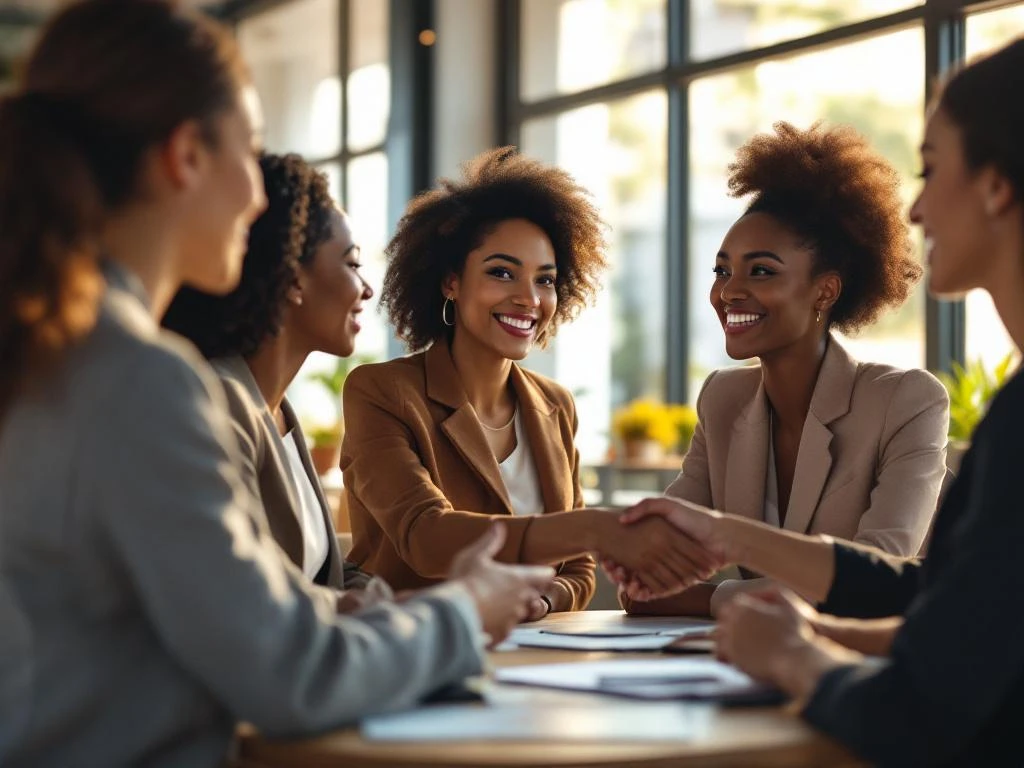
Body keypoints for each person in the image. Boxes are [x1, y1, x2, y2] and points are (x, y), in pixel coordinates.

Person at [0, 2, 553, 765]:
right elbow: (291, 675)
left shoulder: (48, 356)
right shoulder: (136, 382)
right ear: (185, 155)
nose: (259, 198)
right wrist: (464, 611)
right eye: (248, 147)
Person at [614, 37, 1024, 766]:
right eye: (722, 270)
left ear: (996, 186)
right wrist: (731, 553)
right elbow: (951, 623)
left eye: (931, 170)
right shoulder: (723, 399)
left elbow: (917, 677)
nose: (920, 209)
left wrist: (781, 643)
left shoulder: (932, 404)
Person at [343, 147, 717, 619]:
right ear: (451, 283)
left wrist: (538, 603)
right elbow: (426, 539)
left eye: (545, 281)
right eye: (502, 273)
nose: (528, 299)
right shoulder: (381, 391)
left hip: (532, 653)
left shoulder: (555, 404)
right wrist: (594, 527)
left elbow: (578, 571)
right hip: (414, 649)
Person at [623, 121, 949, 618]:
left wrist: (712, 597)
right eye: (721, 270)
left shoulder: (905, 401)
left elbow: (874, 579)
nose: (729, 290)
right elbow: (645, 571)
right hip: (755, 661)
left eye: (762, 271)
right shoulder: (722, 398)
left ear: (825, 291)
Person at [163, 152, 373, 602]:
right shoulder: (218, 401)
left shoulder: (278, 412)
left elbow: (319, 571)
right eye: (352, 264)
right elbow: (248, 596)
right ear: (294, 279)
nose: (367, 289)